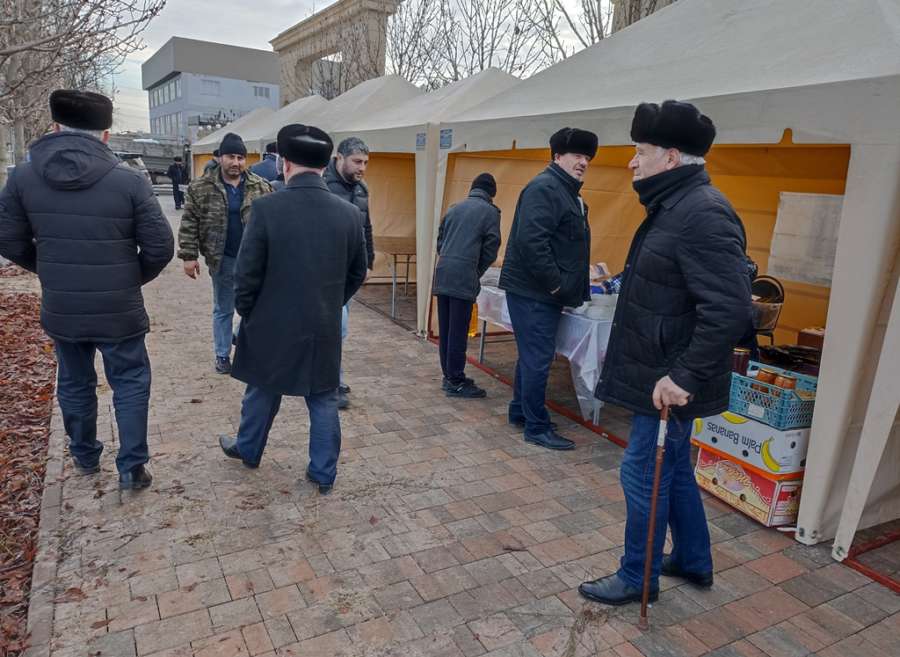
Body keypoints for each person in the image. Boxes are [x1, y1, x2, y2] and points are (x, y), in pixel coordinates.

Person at [579, 101, 752, 605]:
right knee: (671, 469)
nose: (632, 162)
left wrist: (684, 376)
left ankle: (639, 577)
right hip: (660, 372)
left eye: (640, 152)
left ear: (671, 157)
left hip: (668, 381)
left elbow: (728, 310)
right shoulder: (675, 205)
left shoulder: (702, 212)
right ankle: (694, 561)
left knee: (643, 473)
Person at [0, 90, 174, 490]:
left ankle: (83, 455)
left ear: (56, 127)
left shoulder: (23, 177)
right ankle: (131, 466)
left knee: (75, 382)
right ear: (106, 135)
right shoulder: (129, 181)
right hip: (119, 306)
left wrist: (49, 270)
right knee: (130, 381)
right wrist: (129, 276)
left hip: (63, 305)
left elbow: (8, 240)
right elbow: (161, 246)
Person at [218, 124, 368, 494]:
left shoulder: (267, 208)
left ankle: (249, 448)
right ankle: (323, 472)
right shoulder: (349, 214)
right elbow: (357, 272)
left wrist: (248, 312)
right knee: (322, 397)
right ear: (324, 165)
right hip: (322, 321)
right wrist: (332, 303)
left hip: (271, 320)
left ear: (284, 163)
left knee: (262, 389)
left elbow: (246, 274)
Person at [498, 128, 597, 451]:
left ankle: (521, 413)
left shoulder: (565, 190)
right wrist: (556, 284)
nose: (583, 162)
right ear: (557, 156)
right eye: (577, 155)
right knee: (538, 360)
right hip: (534, 292)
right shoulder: (546, 188)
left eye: (587, 157)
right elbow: (531, 242)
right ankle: (536, 426)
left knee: (532, 357)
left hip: (538, 292)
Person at [178, 133, 272, 374]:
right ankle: (222, 354)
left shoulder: (260, 186)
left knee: (256, 306)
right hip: (222, 259)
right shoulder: (200, 188)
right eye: (231, 156)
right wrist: (189, 256)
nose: (236, 162)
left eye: (241, 157)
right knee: (224, 308)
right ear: (219, 158)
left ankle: (240, 338)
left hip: (254, 261)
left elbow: (273, 222)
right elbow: (189, 222)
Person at [433, 173, 501, 398]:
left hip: (443, 273)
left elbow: (440, 241)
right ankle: (456, 380)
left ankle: (449, 375)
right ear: (492, 193)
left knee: (446, 329)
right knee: (458, 331)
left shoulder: (454, 208)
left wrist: (450, 259)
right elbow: (491, 247)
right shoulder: (490, 212)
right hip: (463, 277)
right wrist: (476, 270)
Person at [324, 137, 376, 409]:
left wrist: (368, 262)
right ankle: (331, 382)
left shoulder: (362, 189)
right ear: (339, 158)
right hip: (327, 274)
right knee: (336, 329)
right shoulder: (324, 188)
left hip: (349, 274)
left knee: (338, 332)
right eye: (357, 161)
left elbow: (366, 228)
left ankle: (333, 377)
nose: (362, 167)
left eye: (365, 162)